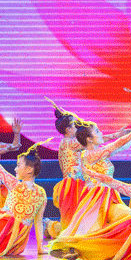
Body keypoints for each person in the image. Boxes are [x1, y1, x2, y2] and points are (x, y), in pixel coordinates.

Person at [52, 119, 131, 239]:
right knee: (91, 235)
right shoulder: (89, 155)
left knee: (127, 216)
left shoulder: (99, 153)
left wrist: (126, 136)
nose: (101, 133)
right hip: (97, 200)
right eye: (97, 131)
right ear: (89, 139)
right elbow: (114, 146)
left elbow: (119, 146)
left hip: (109, 196)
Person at [45, 99, 87, 239]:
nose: (77, 127)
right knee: (73, 218)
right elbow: (92, 141)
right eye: (75, 125)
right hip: (73, 185)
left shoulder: (68, 142)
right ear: (68, 129)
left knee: (75, 217)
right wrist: (118, 137)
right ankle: (51, 227)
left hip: (75, 183)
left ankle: (53, 228)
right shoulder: (70, 142)